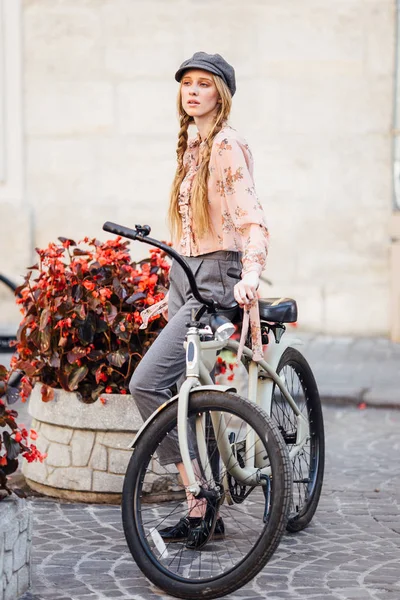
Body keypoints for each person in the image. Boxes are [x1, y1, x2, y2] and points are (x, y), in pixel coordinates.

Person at [129, 51, 269, 548]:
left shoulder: (227, 144)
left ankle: (199, 496)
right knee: (190, 394)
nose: (192, 91)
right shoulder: (192, 146)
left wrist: (250, 273)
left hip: (215, 280)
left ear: (220, 94)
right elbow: (190, 231)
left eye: (203, 84)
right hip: (185, 276)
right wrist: (163, 291)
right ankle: (205, 505)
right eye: (186, 83)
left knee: (147, 384)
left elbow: (252, 221)